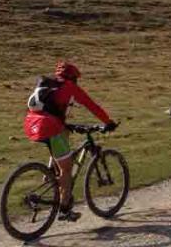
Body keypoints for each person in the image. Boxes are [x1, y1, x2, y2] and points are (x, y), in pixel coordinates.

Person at [23, 61, 117, 221]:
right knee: (67, 169)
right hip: (50, 126)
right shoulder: (70, 87)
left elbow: (50, 109)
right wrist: (108, 122)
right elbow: (91, 105)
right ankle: (64, 209)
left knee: (63, 133)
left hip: (32, 123)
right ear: (73, 77)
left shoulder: (48, 85)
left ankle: (50, 173)